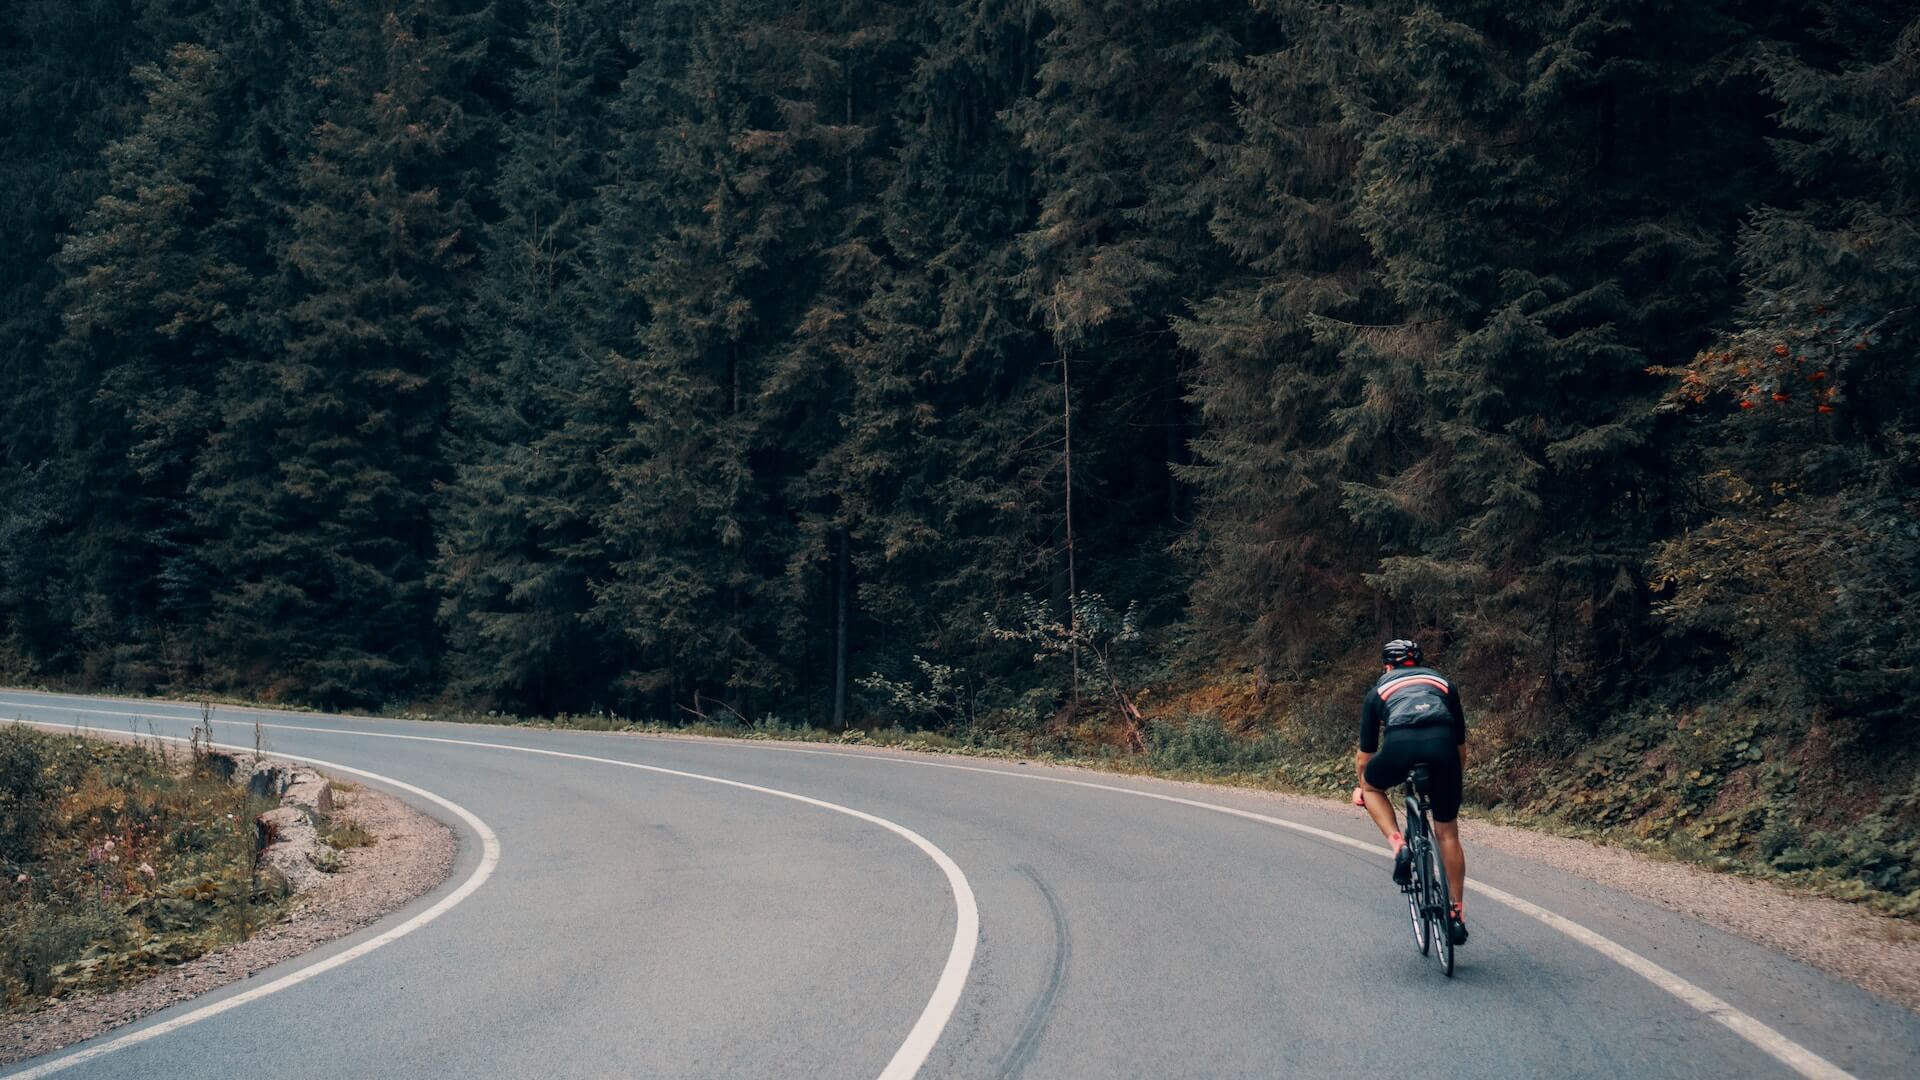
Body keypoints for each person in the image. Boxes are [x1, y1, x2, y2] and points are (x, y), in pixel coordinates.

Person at [1353, 638, 1469, 945]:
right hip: (1444, 750)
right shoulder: (1444, 684)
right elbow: (1461, 748)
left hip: (1399, 745)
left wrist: (1361, 787)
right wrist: (1452, 776)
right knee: (1448, 834)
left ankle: (1398, 845)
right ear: (1418, 662)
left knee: (1371, 784)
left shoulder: (1378, 690)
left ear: (1387, 666)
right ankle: (1456, 913)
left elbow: (1365, 758)